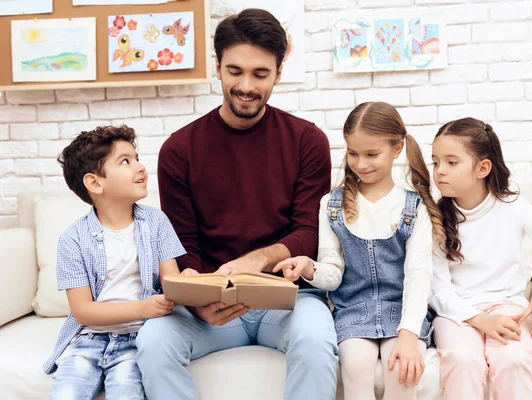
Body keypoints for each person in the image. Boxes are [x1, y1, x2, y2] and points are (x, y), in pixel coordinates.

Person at [135, 8, 338, 400]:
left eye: (260, 74)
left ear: (279, 72)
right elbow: (182, 244)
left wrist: (256, 261)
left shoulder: (307, 141)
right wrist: (195, 302)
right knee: (154, 343)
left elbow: (308, 233)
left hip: (287, 299)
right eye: (235, 71)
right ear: (217, 67)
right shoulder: (179, 149)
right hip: (211, 307)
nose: (246, 85)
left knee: (316, 340)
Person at [274, 101, 446, 400]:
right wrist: (309, 266)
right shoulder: (332, 205)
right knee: (354, 367)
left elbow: (419, 276)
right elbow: (333, 273)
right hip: (353, 313)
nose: (361, 164)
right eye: (353, 153)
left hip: (403, 313)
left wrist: (407, 334)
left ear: (397, 148)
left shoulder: (413, 207)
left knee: (401, 372)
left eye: (371, 154)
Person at [430, 117, 532, 400]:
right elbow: (438, 290)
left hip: (507, 308)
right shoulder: (435, 218)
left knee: (514, 360)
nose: (440, 171)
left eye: (451, 162)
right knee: (464, 360)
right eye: (436, 162)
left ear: (482, 168)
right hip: (457, 313)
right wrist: (480, 320)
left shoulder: (514, 208)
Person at [44, 125, 186, 400]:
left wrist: (192, 285)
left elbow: (172, 283)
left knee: (126, 393)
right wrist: (142, 307)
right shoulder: (72, 239)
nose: (140, 167)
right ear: (95, 183)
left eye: (136, 157)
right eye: (125, 161)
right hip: (87, 341)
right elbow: (83, 312)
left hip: (137, 341)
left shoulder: (157, 223)